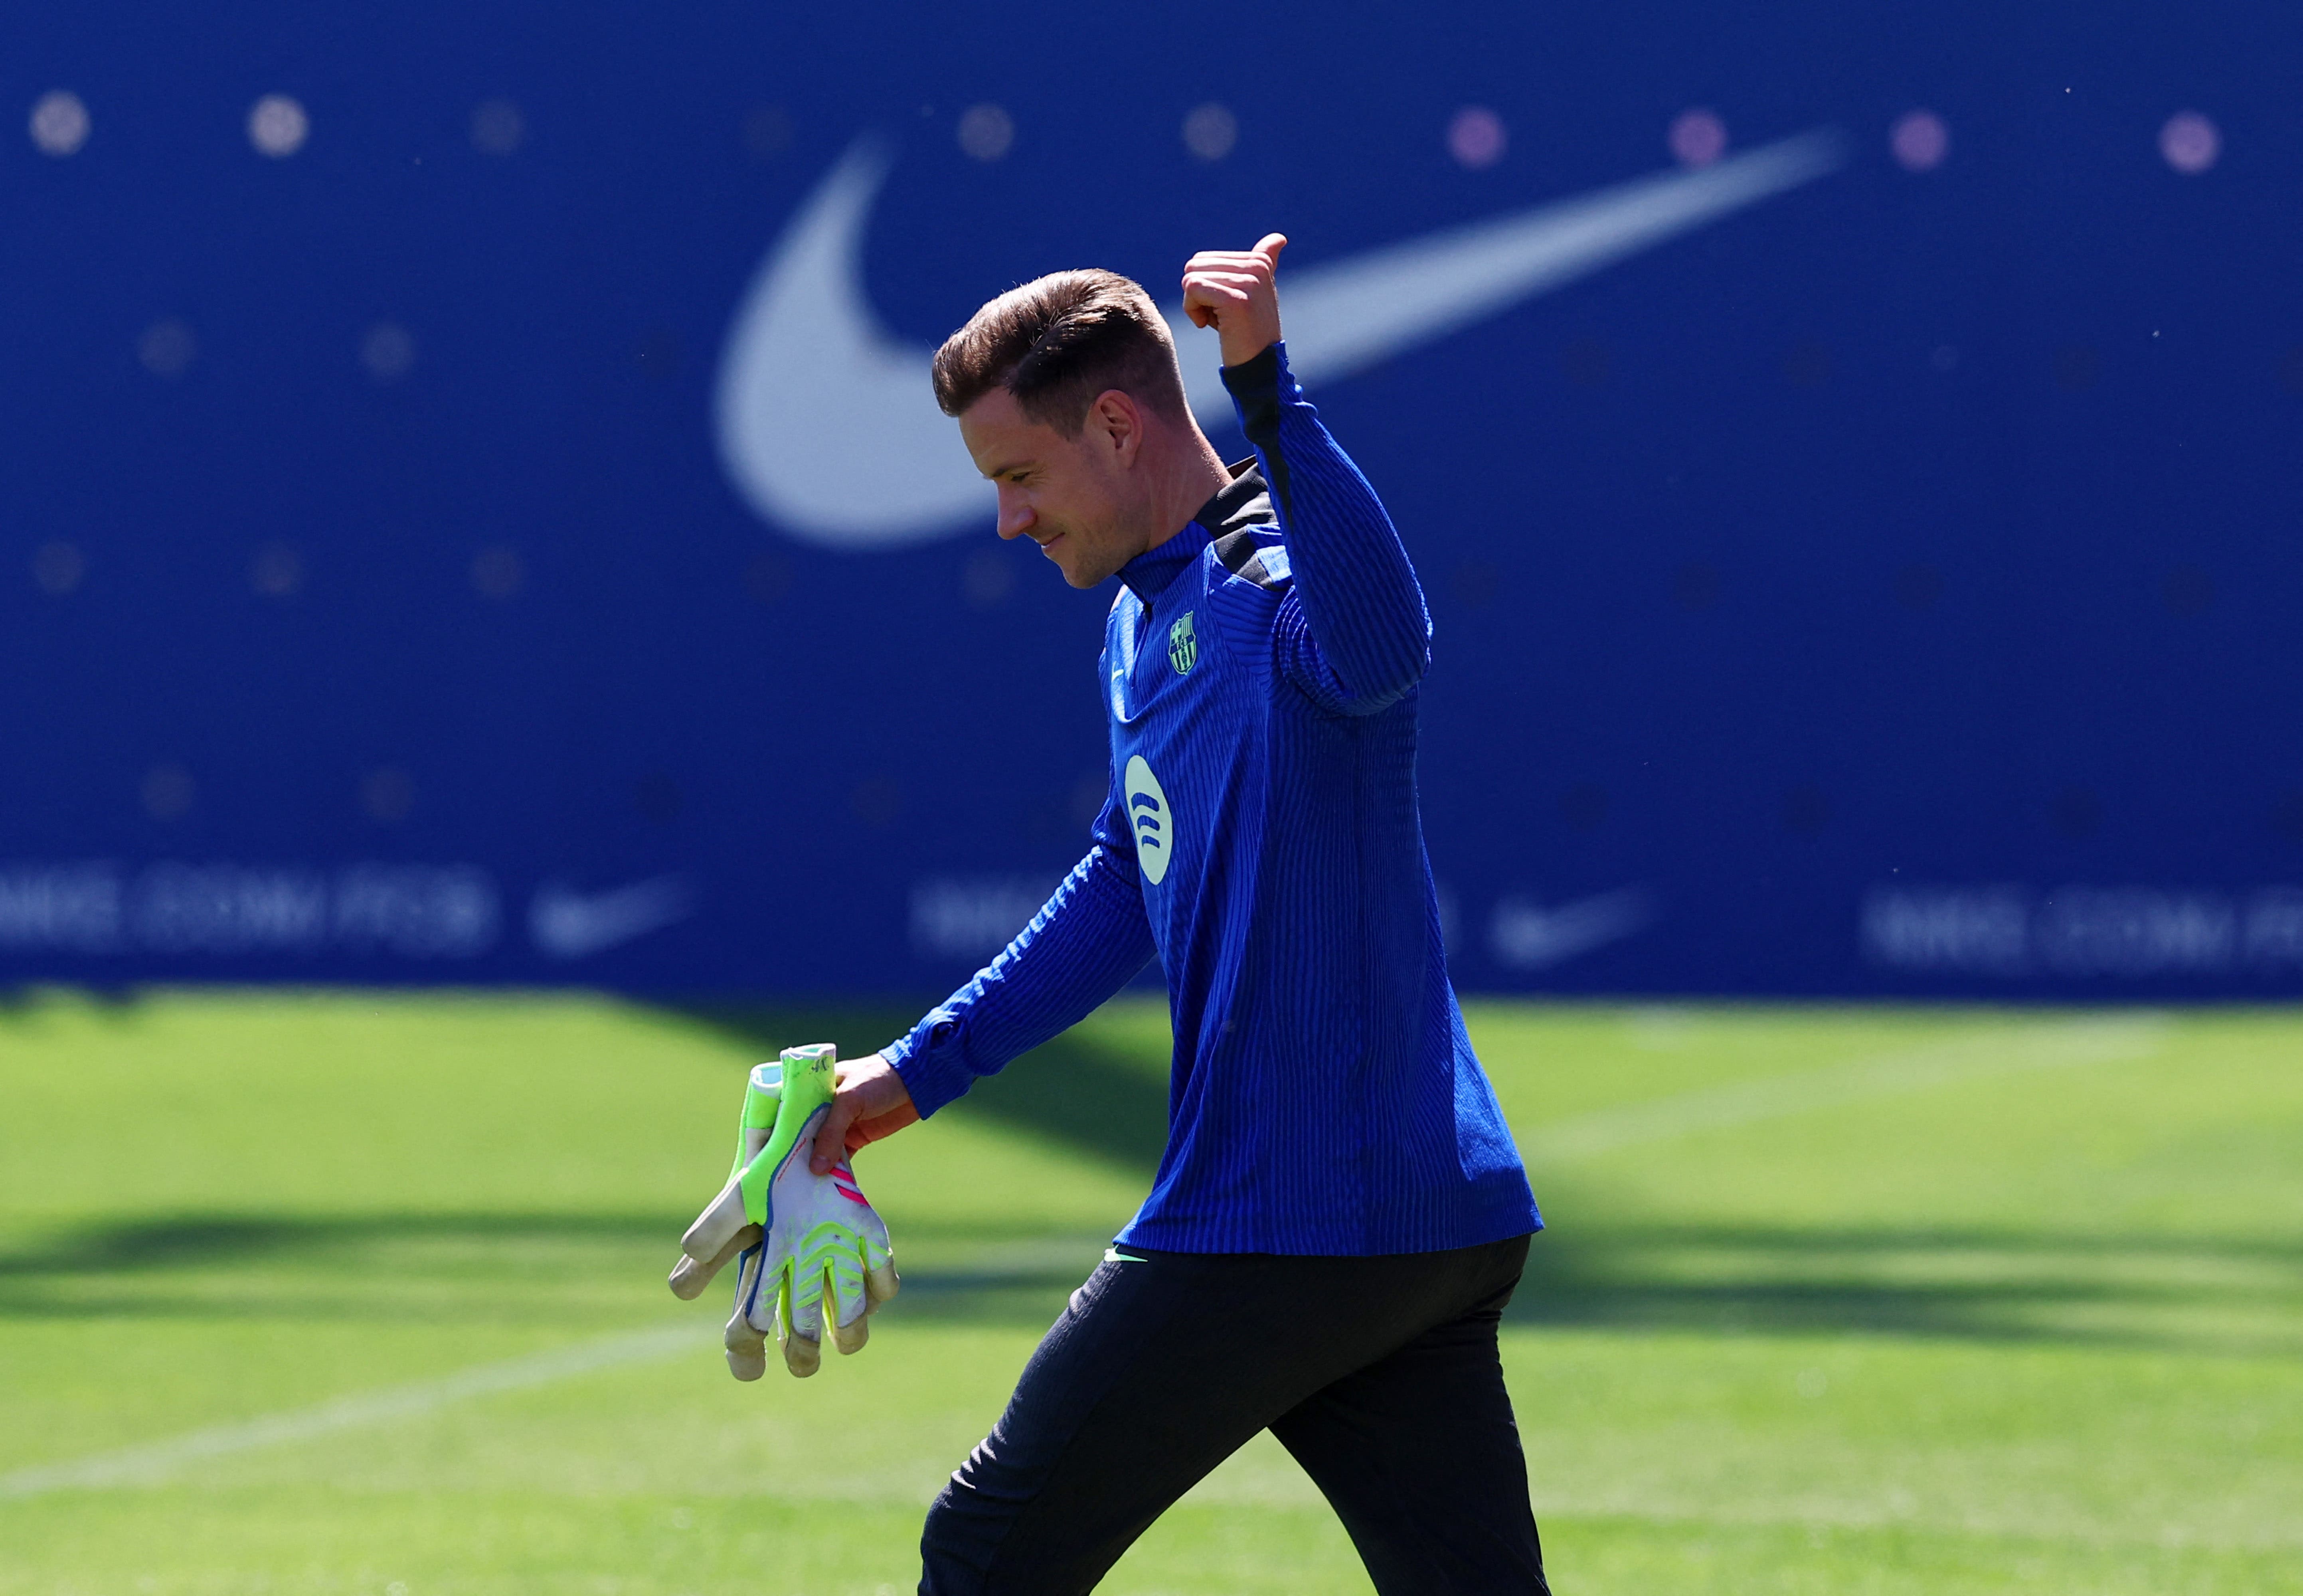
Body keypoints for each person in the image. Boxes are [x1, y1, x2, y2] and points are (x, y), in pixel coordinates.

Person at [809, 236, 1550, 1595]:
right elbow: (1121, 879)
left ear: (1114, 423)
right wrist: (913, 1075)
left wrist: (1266, 387)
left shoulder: (1269, 584)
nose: (1008, 521)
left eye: (1019, 477)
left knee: (986, 1553)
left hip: (1282, 1216)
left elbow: (1385, 652)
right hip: (1415, 1226)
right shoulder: (1142, 618)